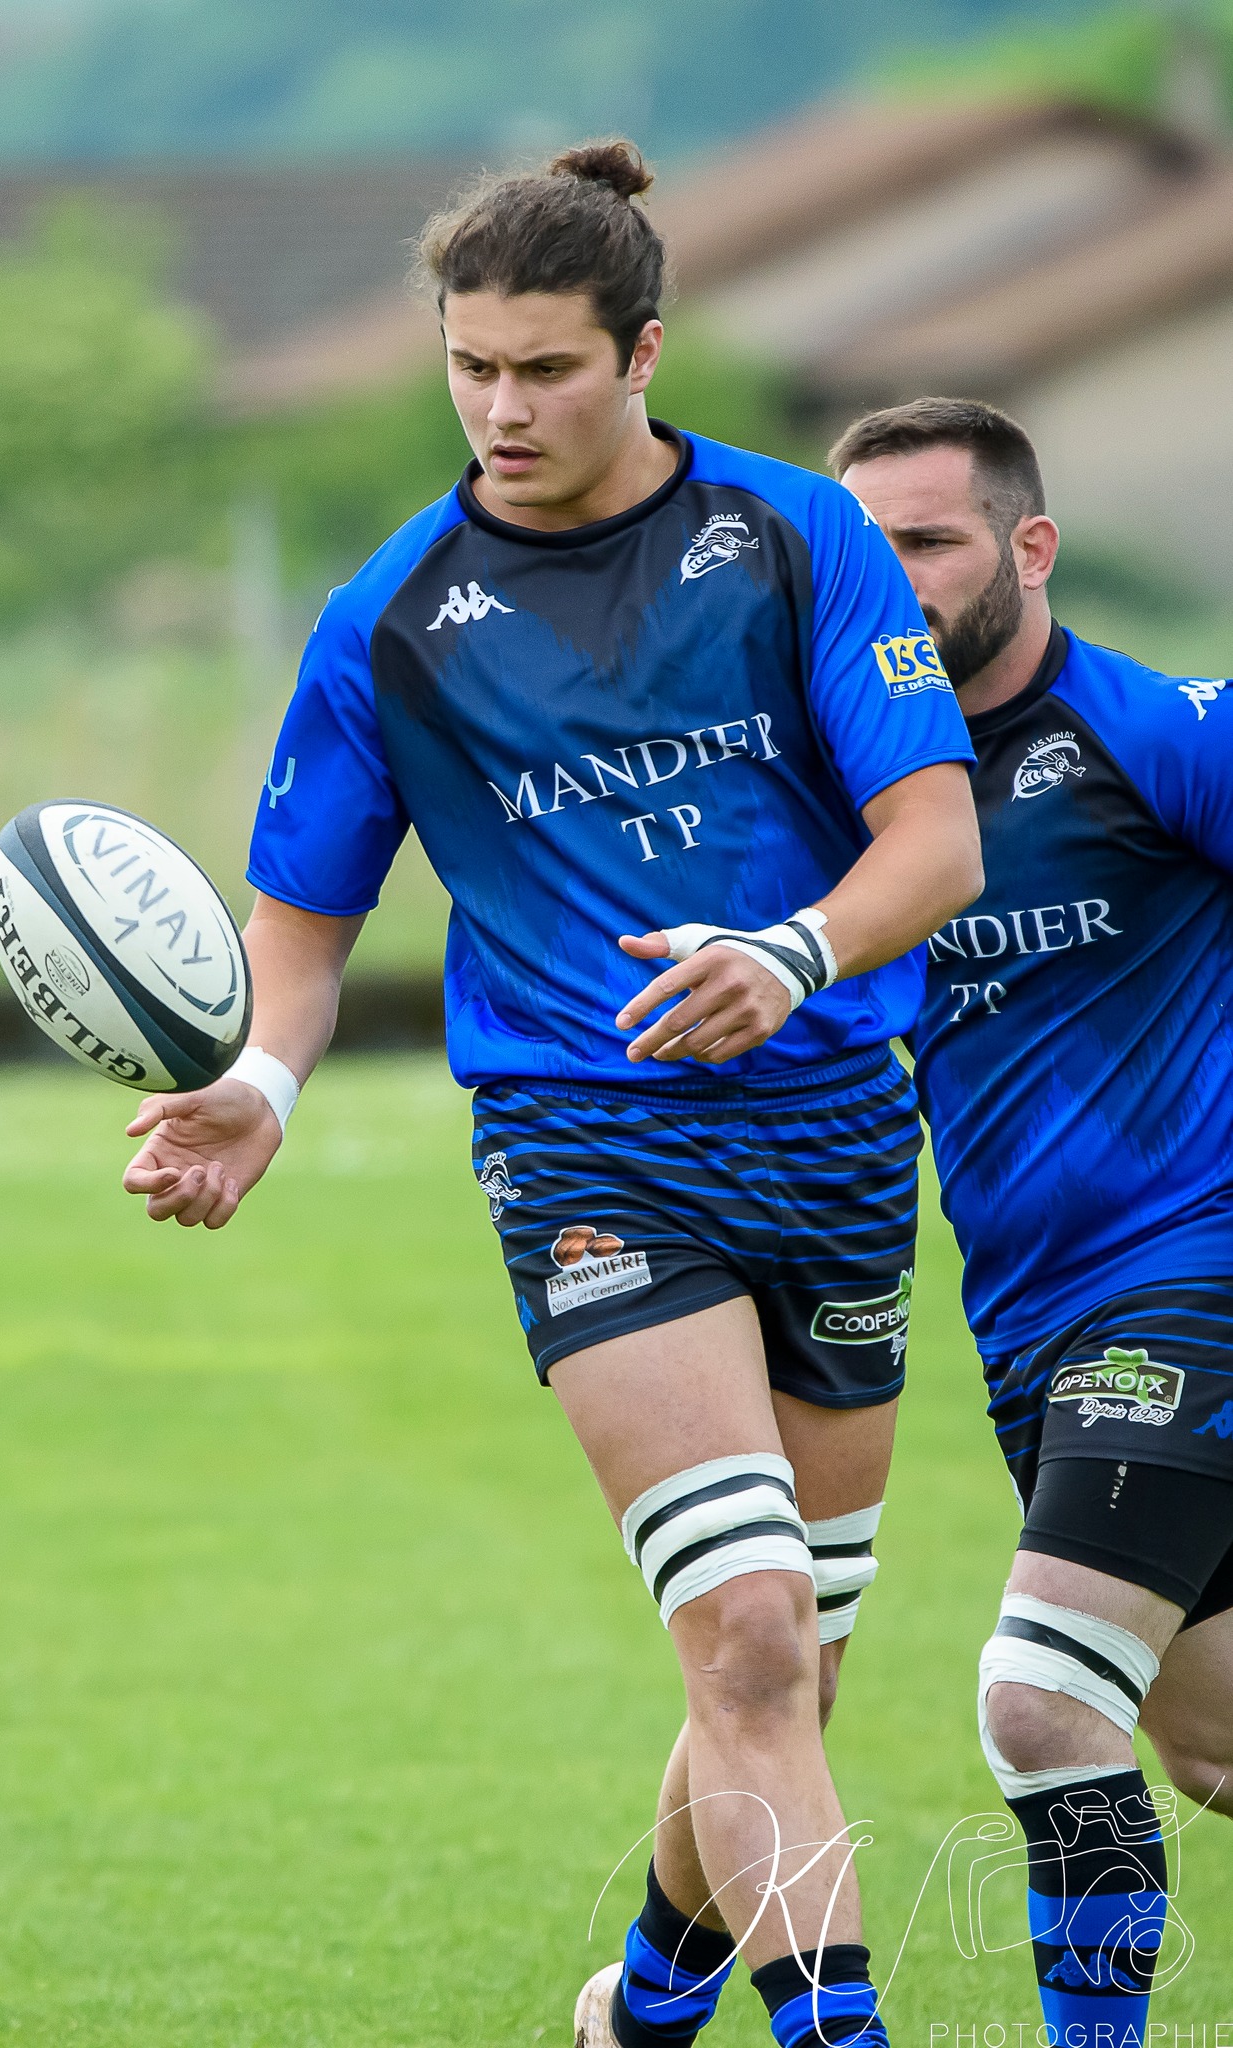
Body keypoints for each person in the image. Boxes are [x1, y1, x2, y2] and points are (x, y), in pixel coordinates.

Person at [122, 145, 981, 2048]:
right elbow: (308, 922)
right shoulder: (391, 623)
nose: (501, 410)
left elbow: (937, 843)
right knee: (746, 1637)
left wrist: (791, 955)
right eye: (469, 369)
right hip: (591, 1150)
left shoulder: (792, 543)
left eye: (544, 370)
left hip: (839, 1130)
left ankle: (642, 2017)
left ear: (644, 353)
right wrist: (264, 1077)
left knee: (790, 1683)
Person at [820, 399, 1233, 2045]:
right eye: (869, 552)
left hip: (1193, 1282)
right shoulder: (866, 794)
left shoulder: (1159, 734)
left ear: (1029, 548)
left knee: (1046, 1698)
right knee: (1205, 1748)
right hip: (1036, 1329)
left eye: (930, 542)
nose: (896, 582)